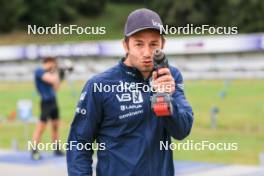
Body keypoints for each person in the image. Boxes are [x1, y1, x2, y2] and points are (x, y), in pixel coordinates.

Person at [67, 8, 194, 176]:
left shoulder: (170, 76)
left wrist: (166, 100)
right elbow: (79, 142)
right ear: (125, 45)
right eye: (139, 44)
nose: (147, 53)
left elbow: (181, 131)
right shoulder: (99, 85)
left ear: (162, 44)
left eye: (154, 44)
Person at [31, 57, 64, 160]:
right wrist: (57, 72)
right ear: (48, 62)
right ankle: (34, 150)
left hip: (53, 101)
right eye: (53, 64)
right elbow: (51, 79)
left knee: (55, 125)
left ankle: (56, 148)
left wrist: (60, 74)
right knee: (41, 127)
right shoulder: (39, 71)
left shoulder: (51, 73)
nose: (54, 65)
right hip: (45, 102)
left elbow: (56, 87)